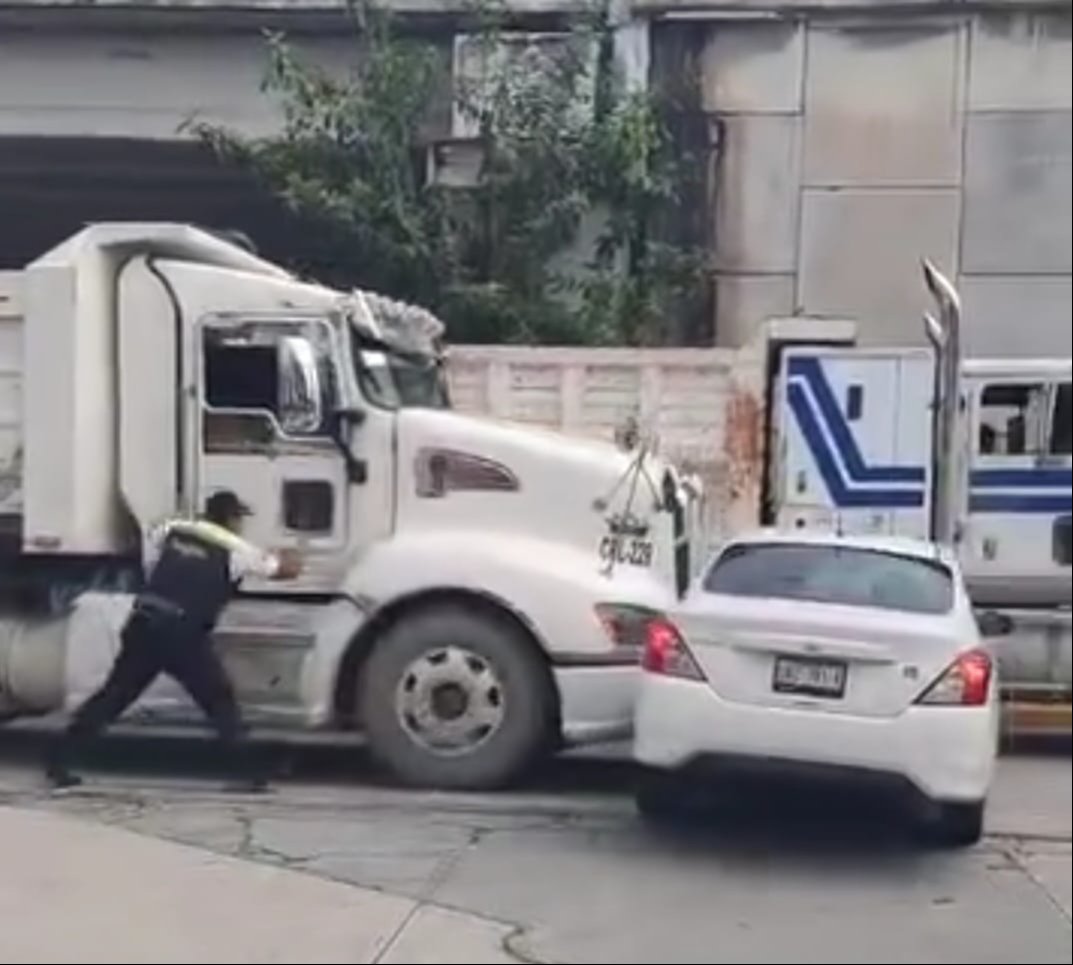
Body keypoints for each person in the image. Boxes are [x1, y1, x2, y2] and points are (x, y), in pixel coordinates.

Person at [46, 490, 302, 792]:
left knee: (113, 697)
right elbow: (285, 571)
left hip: (144, 623)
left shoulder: (172, 530)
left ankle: (60, 761)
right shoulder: (236, 548)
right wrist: (292, 555)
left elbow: (152, 564)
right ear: (232, 519)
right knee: (219, 702)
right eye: (240, 519)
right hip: (183, 634)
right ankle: (249, 775)